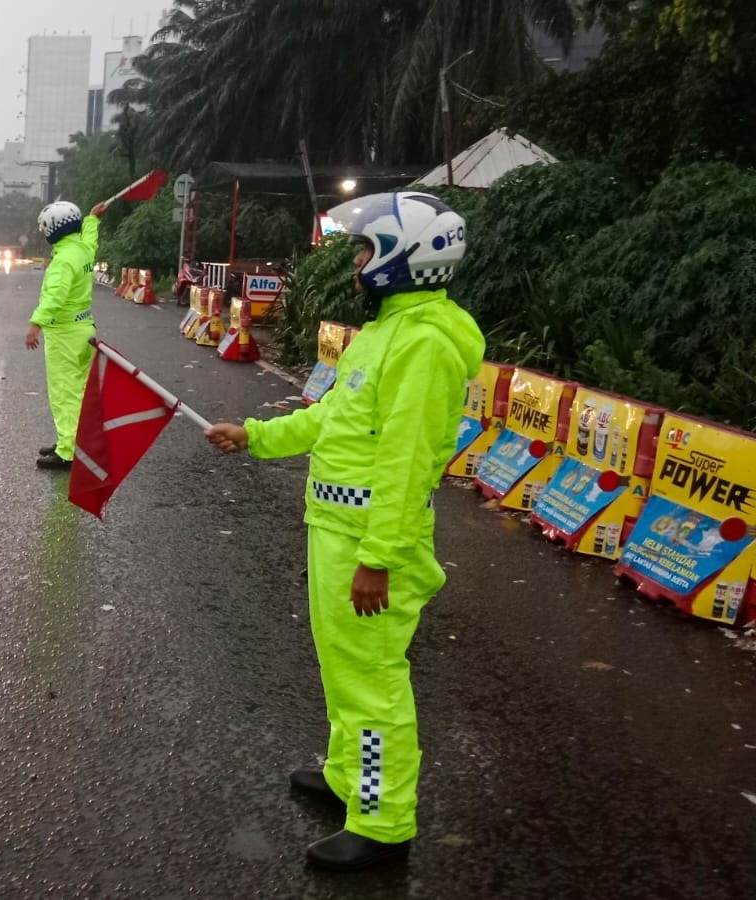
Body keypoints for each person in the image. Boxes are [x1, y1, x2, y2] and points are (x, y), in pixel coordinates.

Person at [205, 192, 485, 871]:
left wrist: (379, 558)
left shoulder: (424, 345)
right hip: (337, 531)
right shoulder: (385, 332)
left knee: (372, 681)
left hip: (371, 543)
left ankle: (383, 823)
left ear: (405, 257)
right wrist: (256, 435)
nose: (358, 261)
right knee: (343, 670)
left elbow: (407, 463)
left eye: (366, 249)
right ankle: (346, 776)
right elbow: (330, 418)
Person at [26, 198, 110, 470]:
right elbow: (91, 240)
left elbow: (55, 296)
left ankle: (68, 451)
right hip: (84, 329)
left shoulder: (63, 261)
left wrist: (36, 324)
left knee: (64, 393)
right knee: (80, 391)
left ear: (54, 229)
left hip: (64, 334)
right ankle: (73, 441)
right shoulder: (82, 250)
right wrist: (93, 219)